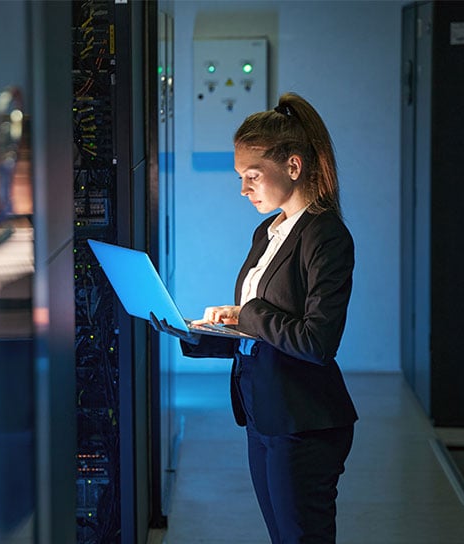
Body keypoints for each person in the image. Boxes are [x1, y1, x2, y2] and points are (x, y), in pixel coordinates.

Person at [152, 92, 357, 543]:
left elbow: (318, 341)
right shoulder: (268, 230)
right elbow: (260, 328)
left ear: (294, 167)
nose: (243, 188)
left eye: (251, 176)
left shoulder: (326, 236)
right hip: (263, 409)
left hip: (304, 420)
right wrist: (197, 331)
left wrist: (249, 313)